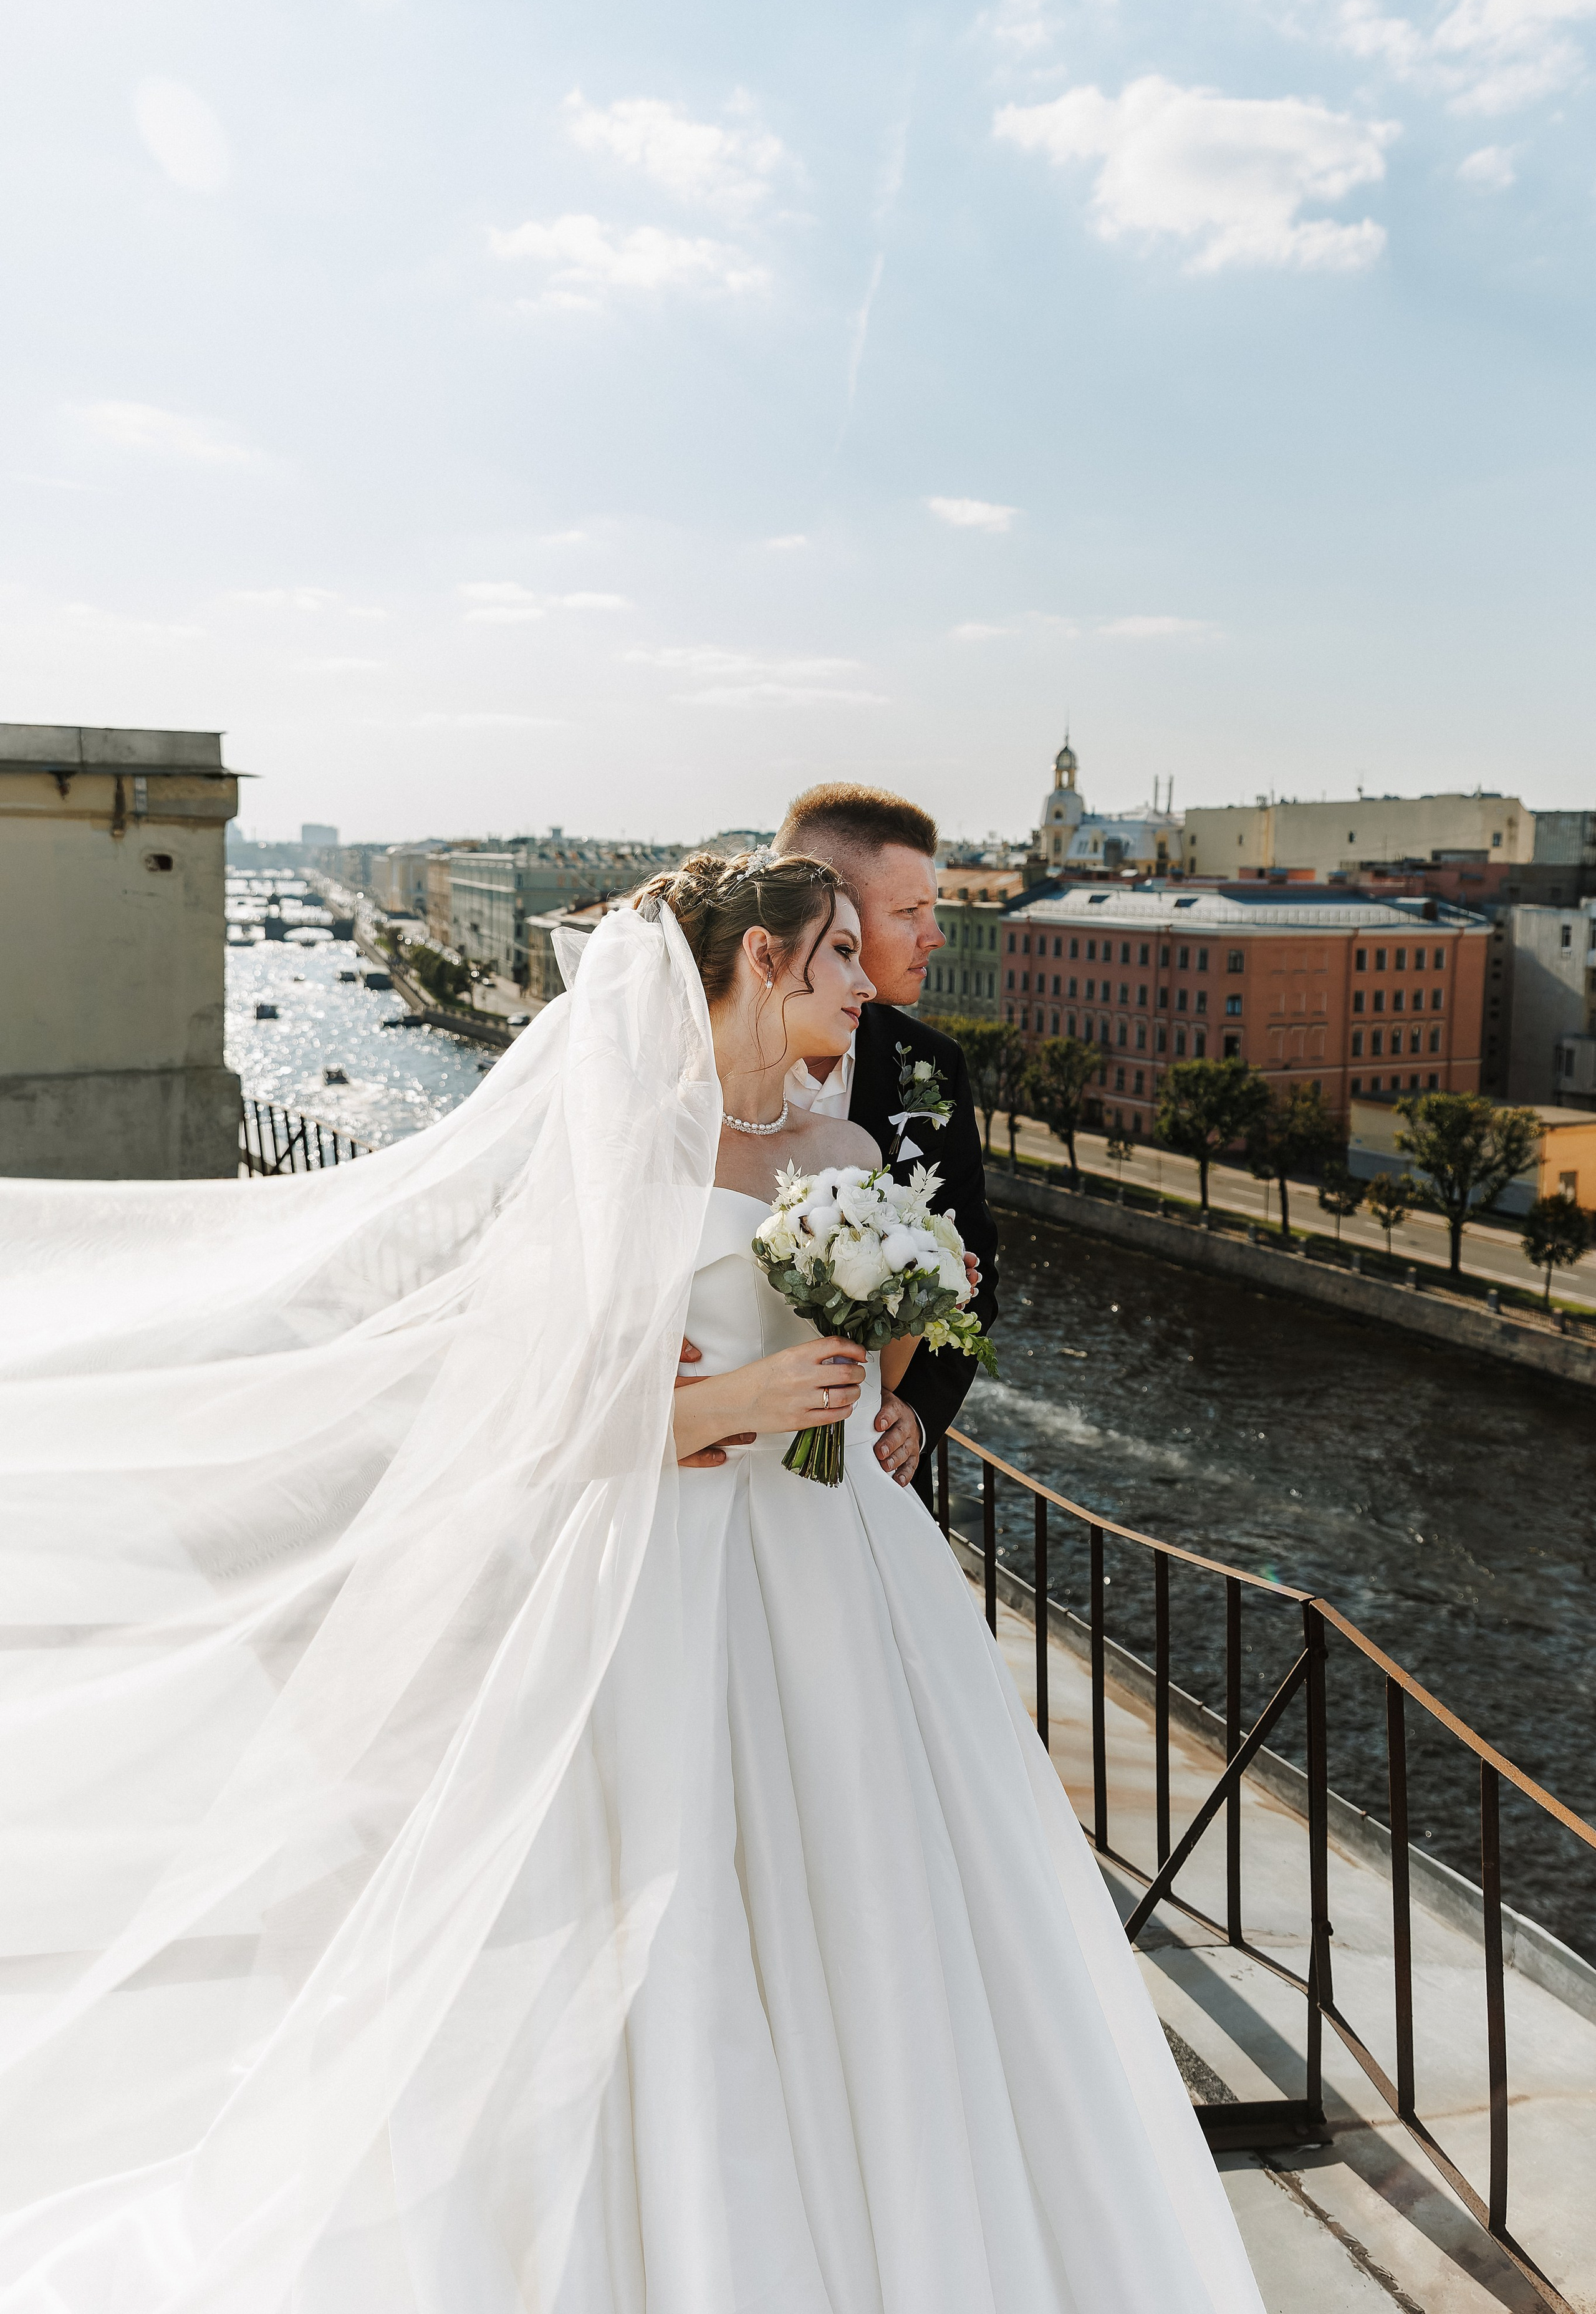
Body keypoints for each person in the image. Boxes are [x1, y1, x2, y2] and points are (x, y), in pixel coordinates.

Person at [0, 854, 1263, 2312]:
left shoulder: (850, 1142)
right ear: (760, 964)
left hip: (852, 1569)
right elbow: (545, 1418)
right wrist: (732, 1403)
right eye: (835, 954)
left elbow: (870, 1368)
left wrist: (898, 1361)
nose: (863, 984)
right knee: (690, 1905)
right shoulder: (627, 1151)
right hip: (684, 1579)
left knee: (882, 1895)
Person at [680, 783, 998, 1508]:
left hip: (856, 1473)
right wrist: (649, 1387)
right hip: (702, 1476)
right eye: (909, 912)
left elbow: (973, 1257)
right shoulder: (665, 1090)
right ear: (822, 904)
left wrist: (915, 1412)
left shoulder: (931, 1064)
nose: (935, 935)